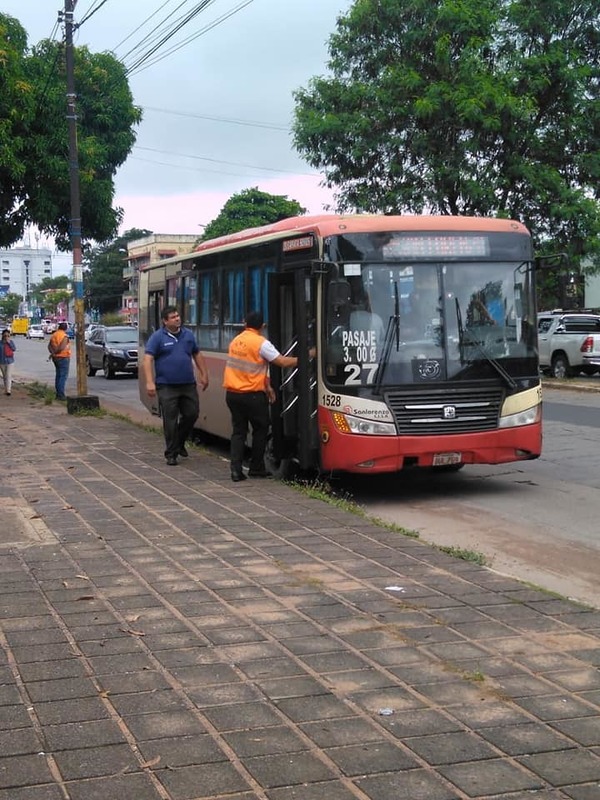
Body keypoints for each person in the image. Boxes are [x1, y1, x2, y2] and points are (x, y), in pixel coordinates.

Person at [223, 310, 305, 482]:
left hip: (232, 394)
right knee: (261, 430)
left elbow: (252, 367)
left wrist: (267, 385)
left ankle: (235, 471)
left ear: (245, 323)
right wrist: (306, 357)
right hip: (252, 395)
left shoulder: (236, 341)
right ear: (262, 326)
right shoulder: (261, 343)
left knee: (239, 431)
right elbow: (281, 362)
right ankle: (257, 468)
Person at [142, 306, 209, 466]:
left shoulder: (187, 335)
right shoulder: (158, 337)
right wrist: (150, 382)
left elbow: (197, 353)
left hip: (187, 384)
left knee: (192, 414)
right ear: (165, 321)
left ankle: (179, 442)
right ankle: (171, 453)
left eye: (178, 316)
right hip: (166, 386)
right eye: (173, 317)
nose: (177, 319)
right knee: (170, 420)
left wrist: (203, 373)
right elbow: (148, 359)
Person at [47, 322, 71, 400]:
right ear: (66, 328)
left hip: (56, 358)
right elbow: (61, 347)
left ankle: (58, 394)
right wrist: (55, 353)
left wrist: (52, 353)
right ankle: (61, 395)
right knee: (63, 376)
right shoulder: (64, 336)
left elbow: (49, 346)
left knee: (58, 375)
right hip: (63, 357)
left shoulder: (54, 335)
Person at [0, 329, 16, 395]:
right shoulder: (0, 343)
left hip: (10, 361)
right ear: (3, 335)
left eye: (8, 335)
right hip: (2, 361)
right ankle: (6, 389)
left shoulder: (11, 342)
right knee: (5, 376)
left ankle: (8, 391)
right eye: (5, 335)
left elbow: (14, 349)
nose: (6, 336)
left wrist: (9, 342)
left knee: (8, 375)